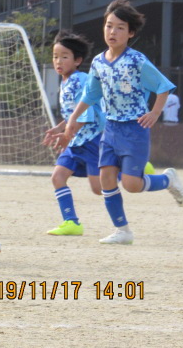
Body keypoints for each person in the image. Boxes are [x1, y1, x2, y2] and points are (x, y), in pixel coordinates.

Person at [54, 0, 183, 245]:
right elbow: (90, 95)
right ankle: (122, 230)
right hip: (110, 129)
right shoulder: (98, 62)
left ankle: (168, 180)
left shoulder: (137, 60)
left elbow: (163, 87)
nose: (112, 32)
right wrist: (72, 119)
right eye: (109, 25)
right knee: (105, 179)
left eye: (120, 27)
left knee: (131, 184)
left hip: (134, 129)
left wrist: (155, 113)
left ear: (131, 33)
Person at [41, 32, 105, 236]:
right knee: (58, 177)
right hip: (76, 139)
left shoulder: (80, 80)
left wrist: (66, 135)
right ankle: (71, 222)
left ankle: (134, 172)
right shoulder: (66, 81)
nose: (58, 61)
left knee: (98, 188)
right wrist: (60, 128)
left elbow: (85, 115)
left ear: (77, 60)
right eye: (55, 56)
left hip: (91, 139)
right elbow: (73, 114)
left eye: (64, 56)